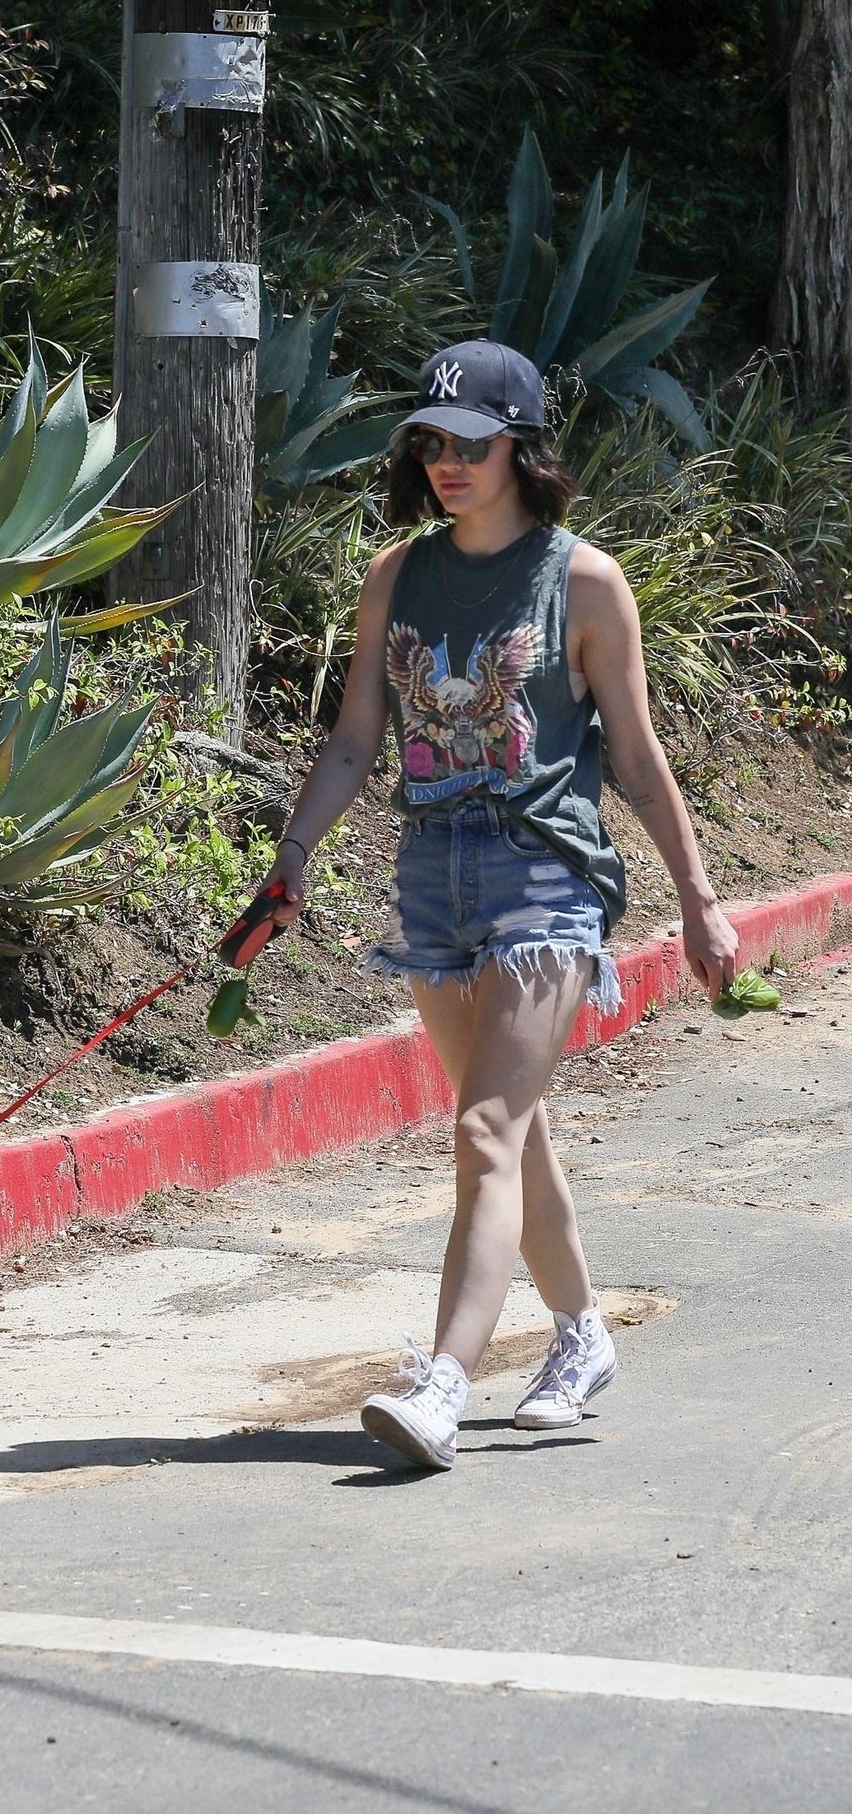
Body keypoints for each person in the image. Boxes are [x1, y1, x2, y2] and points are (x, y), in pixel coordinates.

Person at [261, 338, 739, 1470]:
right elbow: (356, 741)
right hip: (432, 878)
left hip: (544, 875)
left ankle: (440, 1384)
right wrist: (289, 859)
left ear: (521, 448)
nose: (448, 462)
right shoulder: (397, 574)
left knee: (482, 1131)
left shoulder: (582, 580)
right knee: (510, 1137)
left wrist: (699, 900)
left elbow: (635, 754)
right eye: (431, 442)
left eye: (471, 443)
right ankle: (581, 1337)